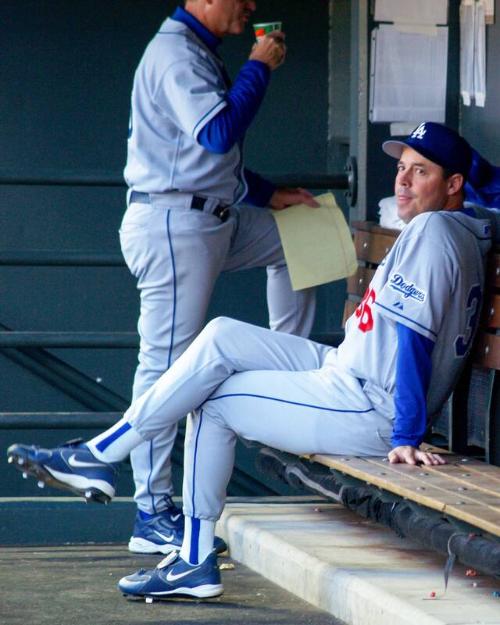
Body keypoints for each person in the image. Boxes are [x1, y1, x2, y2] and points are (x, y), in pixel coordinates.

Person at [8, 122, 496, 600]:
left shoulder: (434, 231)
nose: (403, 181)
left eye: (421, 172)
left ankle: (193, 560)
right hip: (350, 371)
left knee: (215, 402)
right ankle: (100, 455)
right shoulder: (459, 225)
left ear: (453, 184)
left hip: (371, 403)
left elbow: (413, 337)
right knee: (222, 335)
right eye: (402, 168)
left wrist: (408, 434)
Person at [120, 0, 318, 554]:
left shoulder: (195, 49)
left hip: (209, 216)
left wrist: (268, 195)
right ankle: (151, 512)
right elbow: (217, 134)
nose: (251, 5)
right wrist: (260, 65)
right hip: (173, 223)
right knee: (164, 365)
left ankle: (290, 373)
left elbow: (207, 159)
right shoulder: (173, 51)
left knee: (298, 239)